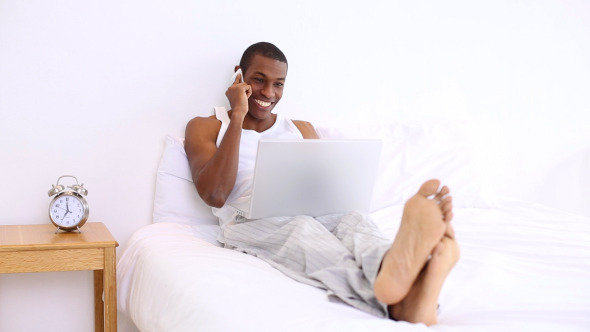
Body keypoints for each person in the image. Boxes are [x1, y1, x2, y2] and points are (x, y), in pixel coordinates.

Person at [185, 41, 459, 325]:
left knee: (353, 219)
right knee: (301, 231)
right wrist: (238, 115)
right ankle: (403, 299)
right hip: (246, 218)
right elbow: (215, 194)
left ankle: (398, 276)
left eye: (278, 84)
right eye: (258, 80)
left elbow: (324, 187)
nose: (269, 93)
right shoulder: (207, 125)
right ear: (239, 76)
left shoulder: (301, 129)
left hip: (310, 209)